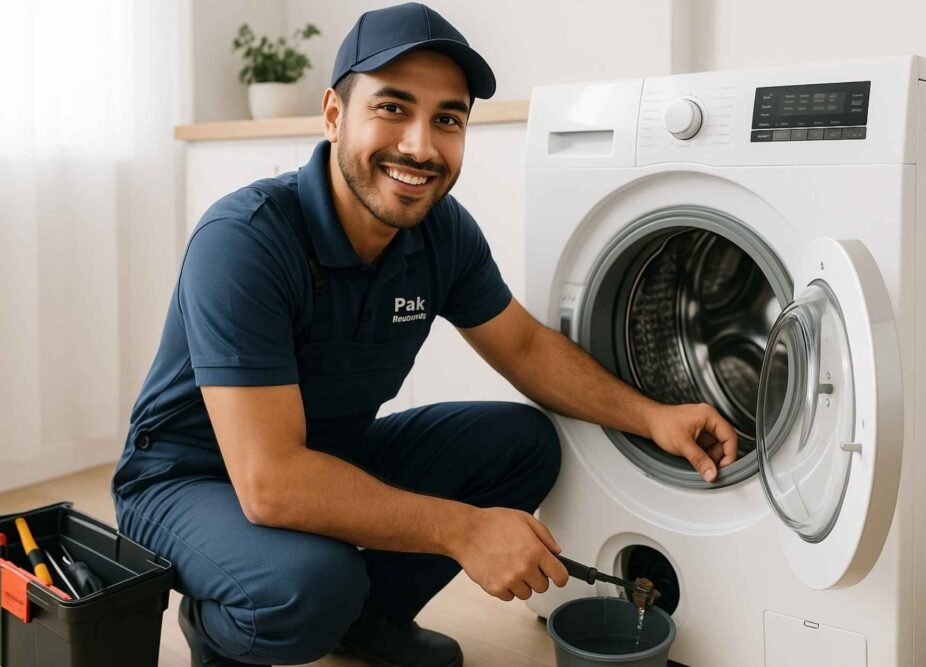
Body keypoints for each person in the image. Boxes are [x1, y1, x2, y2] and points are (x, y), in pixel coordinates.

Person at [111, 3, 738, 666]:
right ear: (333, 115)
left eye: (447, 119)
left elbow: (524, 348)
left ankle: (370, 618)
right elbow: (270, 482)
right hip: (189, 480)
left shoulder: (441, 232)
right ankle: (225, 620)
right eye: (392, 108)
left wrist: (653, 415)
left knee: (523, 444)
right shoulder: (245, 241)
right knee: (310, 584)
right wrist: (464, 530)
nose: (420, 145)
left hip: (327, 450)